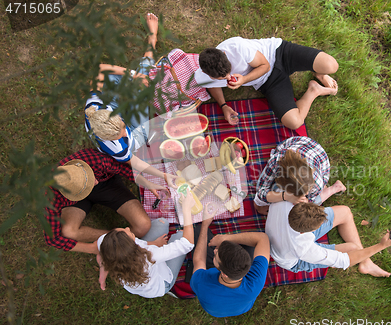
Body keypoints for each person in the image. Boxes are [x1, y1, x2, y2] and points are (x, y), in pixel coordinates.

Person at [84, 13, 176, 198]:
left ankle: (143, 68)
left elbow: (99, 70)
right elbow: (135, 163)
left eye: (121, 127)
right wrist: (163, 175)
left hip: (115, 105)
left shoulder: (93, 107)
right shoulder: (117, 148)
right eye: (121, 135)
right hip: (138, 132)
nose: (124, 132)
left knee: (130, 80)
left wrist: (133, 75)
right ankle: (152, 39)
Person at [195, 37, 339, 129]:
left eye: (228, 71)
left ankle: (318, 72)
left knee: (332, 65)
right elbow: (211, 84)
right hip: (269, 81)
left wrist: (244, 79)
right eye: (222, 78)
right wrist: (224, 106)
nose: (228, 77)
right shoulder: (205, 75)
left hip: (278, 53)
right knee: (294, 122)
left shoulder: (238, 47)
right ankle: (314, 90)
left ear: (224, 54)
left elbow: (265, 66)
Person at [45, 148, 166, 254]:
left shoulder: (96, 160)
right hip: (76, 201)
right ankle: (115, 240)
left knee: (143, 226)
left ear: (81, 166)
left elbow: (124, 169)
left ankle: (119, 239)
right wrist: (91, 248)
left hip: (106, 186)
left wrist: (148, 183)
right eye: (87, 186)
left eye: (91, 178)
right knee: (69, 232)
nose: (95, 181)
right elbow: (52, 239)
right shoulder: (50, 197)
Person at [96, 192, 195, 297]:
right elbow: (187, 244)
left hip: (139, 277)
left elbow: (102, 252)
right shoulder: (150, 256)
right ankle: (168, 287)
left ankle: (103, 270)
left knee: (162, 223)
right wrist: (186, 210)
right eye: (127, 232)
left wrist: (154, 243)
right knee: (181, 235)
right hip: (160, 285)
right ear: (132, 246)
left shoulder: (105, 241)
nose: (128, 228)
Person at [265, 201, 391, 277]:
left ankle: (366, 262)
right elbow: (344, 261)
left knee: (345, 212)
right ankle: (366, 264)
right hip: (294, 260)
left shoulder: (287, 200)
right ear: (305, 232)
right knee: (353, 249)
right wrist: (381, 245)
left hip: (285, 233)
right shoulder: (303, 249)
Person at [189, 210, 270, 317]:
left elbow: (199, 260)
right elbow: (263, 238)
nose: (215, 251)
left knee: (198, 231)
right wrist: (225, 238)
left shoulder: (201, 283)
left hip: (214, 309)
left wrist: (205, 225)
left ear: (224, 273)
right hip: (241, 307)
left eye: (216, 257)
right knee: (253, 243)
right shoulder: (256, 281)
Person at [254, 136, 346, 215]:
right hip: (297, 146)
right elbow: (261, 191)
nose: (306, 194)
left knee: (310, 206)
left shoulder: (317, 182)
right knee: (259, 203)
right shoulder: (277, 161)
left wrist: (306, 201)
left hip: (319, 160)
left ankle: (335, 188)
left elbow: (310, 201)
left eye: (307, 192)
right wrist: (285, 196)